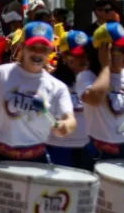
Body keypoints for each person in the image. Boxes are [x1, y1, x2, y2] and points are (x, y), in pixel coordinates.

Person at [0, 21, 75, 165]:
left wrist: (66, 125)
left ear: (50, 50)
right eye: (32, 47)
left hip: (36, 161)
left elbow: (70, 119)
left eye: (43, 49)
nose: (37, 53)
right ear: (22, 47)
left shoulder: (57, 87)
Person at [79, 22, 124, 160]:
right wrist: (105, 67)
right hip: (104, 155)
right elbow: (94, 99)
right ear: (104, 51)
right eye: (123, 49)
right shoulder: (86, 77)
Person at [47, 31, 94, 170]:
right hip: (59, 148)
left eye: (86, 54)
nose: (84, 59)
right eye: (78, 54)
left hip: (88, 147)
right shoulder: (51, 81)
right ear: (64, 56)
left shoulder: (94, 79)